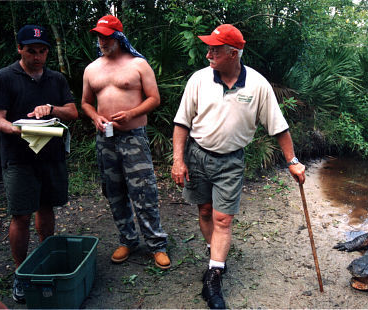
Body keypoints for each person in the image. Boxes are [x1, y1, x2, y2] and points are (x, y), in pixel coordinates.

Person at [171, 24, 306, 309]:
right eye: (209, 48)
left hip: (231, 161)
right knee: (205, 210)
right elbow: (182, 122)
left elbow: (278, 127)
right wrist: (178, 160)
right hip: (197, 155)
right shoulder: (199, 79)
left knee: (224, 219)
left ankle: (213, 277)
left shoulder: (257, 85)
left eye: (215, 50)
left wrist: (292, 161)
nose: (208, 54)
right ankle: (214, 255)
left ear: (233, 54)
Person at [0, 25, 78, 303]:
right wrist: (14, 129)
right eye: (31, 51)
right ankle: (21, 272)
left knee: (46, 206)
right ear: (20, 49)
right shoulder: (4, 77)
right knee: (21, 214)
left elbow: (72, 112)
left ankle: (44, 258)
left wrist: (51, 109)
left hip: (50, 155)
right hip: (19, 157)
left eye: (42, 51)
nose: (37, 57)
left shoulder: (56, 79)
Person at [81, 15, 170, 269]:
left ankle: (156, 244)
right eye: (99, 37)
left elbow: (154, 98)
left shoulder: (138, 65)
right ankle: (127, 239)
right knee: (114, 190)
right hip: (105, 139)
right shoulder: (92, 69)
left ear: (118, 37)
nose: (101, 41)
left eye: (107, 37)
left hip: (133, 137)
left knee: (144, 190)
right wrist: (95, 116)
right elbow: (86, 102)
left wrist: (131, 113)